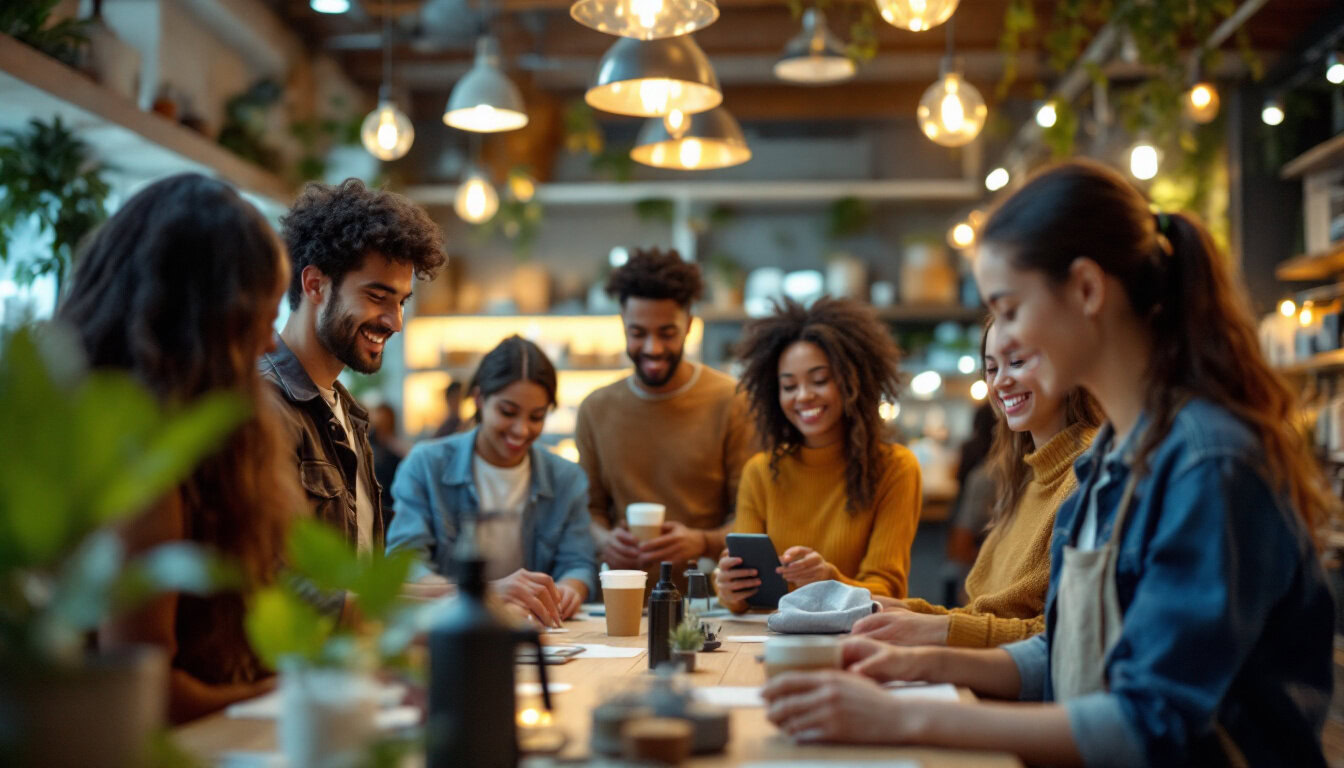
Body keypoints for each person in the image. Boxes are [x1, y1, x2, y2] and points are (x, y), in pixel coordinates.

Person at [760, 159, 1335, 767]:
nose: (1002, 343)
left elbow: (1152, 723)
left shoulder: (1206, 464)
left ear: (1087, 290)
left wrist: (905, 714)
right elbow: (1062, 655)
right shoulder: (1108, 461)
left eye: (1009, 309)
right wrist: (923, 661)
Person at [66, 173, 304, 723]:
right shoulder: (142, 471)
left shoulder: (116, 426)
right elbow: (145, 697)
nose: (269, 343)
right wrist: (289, 695)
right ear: (208, 322)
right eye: (260, 321)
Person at [852, 320, 1101, 646]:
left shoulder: (1091, 474)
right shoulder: (1023, 476)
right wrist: (903, 610)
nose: (1000, 382)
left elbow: (1063, 643)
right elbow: (988, 617)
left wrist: (932, 629)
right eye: (991, 368)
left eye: (1017, 362)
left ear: (1065, 361)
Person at [260, 179, 445, 557]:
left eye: (402, 303)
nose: (395, 322)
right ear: (315, 285)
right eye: (377, 297)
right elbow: (281, 584)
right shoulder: (264, 407)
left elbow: (356, 587)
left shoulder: (348, 415)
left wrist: (476, 595)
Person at [712, 298, 922, 610]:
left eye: (819, 380)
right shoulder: (761, 471)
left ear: (853, 380)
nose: (803, 396)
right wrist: (729, 589)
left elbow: (888, 591)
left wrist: (829, 579)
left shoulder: (895, 468)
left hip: (855, 643)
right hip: (769, 642)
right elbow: (745, 600)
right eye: (789, 386)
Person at [576, 249, 756, 588]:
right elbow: (590, 510)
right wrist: (604, 540)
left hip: (708, 598)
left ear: (689, 325)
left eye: (667, 333)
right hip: (620, 595)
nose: (653, 348)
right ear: (622, 325)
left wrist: (702, 541)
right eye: (638, 332)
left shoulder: (733, 401)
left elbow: (752, 514)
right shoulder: (595, 409)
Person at [388, 337, 597, 627]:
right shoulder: (426, 465)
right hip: (450, 629)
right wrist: (484, 593)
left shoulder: (566, 478)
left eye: (536, 417)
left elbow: (578, 562)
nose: (521, 430)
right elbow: (406, 566)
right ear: (479, 399)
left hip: (535, 630)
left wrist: (570, 589)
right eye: (508, 412)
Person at [368, 403, 406, 512]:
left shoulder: (397, 444)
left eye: (387, 418)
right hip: (375, 494)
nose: (383, 421)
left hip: (392, 494)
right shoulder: (368, 442)